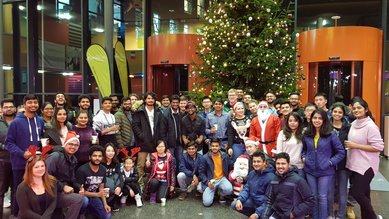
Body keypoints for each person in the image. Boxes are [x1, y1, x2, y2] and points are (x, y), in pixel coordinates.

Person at [6, 94, 45, 217]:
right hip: (20, 164)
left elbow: (40, 140)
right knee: (19, 192)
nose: (33, 105)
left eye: (35, 102)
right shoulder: (15, 123)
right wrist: (22, 153)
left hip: (36, 165)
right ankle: (16, 215)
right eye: (30, 103)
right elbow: (9, 143)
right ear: (24, 105)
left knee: (35, 192)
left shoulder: (40, 121)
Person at [302, 109, 345, 219]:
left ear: (324, 120)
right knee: (314, 196)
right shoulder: (307, 134)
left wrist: (330, 162)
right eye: (315, 118)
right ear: (311, 119)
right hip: (310, 170)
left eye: (320, 118)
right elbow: (304, 149)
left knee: (322, 196)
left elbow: (341, 152)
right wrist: (304, 157)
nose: (317, 120)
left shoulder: (330, 134)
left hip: (326, 171)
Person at [345, 97, 384, 219]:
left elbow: (379, 147)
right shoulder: (353, 124)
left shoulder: (370, 126)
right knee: (365, 194)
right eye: (354, 108)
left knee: (357, 193)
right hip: (354, 164)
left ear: (366, 109)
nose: (356, 110)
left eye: (359, 108)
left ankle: (373, 217)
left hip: (366, 165)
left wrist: (355, 146)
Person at [262, 152, 315, 219]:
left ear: (289, 164)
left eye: (283, 163)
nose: (280, 166)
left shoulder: (298, 180)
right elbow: (269, 200)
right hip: (278, 214)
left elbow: (310, 201)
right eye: (278, 163)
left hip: (294, 216)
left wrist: (293, 213)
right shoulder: (274, 180)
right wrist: (264, 217)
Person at [45, 131, 85, 219]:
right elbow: (46, 176)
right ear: (65, 144)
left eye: (76, 145)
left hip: (61, 191)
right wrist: (62, 187)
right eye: (71, 144)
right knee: (78, 200)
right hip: (49, 192)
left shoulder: (73, 159)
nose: (73, 147)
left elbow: (72, 179)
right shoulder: (55, 156)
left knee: (83, 200)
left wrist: (79, 187)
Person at [132, 92, 163, 187]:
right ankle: (140, 184)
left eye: (152, 98)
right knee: (141, 164)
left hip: (155, 141)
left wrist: (160, 139)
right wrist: (141, 135)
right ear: (145, 100)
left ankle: (153, 183)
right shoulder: (139, 111)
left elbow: (161, 125)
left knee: (155, 163)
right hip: (143, 142)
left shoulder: (158, 111)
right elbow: (135, 125)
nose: (150, 100)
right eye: (148, 98)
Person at [231, 151, 275, 219]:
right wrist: (240, 199)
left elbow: (269, 202)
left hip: (264, 205)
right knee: (234, 204)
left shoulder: (271, 177)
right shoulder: (252, 173)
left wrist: (257, 213)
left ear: (264, 163)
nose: (256, 164)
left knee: (262, 215)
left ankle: (257, 215)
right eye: (254, 161)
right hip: (253, 201)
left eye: (258, 161)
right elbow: (247, 189)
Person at [16, 149, 57, 219]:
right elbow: (25, 211)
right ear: (30, 169)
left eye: (42, 166)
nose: (40, 169)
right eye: (36, 167)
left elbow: (53, 202)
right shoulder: (22, 187)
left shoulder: (52, 181)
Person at [327, 102, 351, 219]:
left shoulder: (348, 127)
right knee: (330, 191)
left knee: (342, 190)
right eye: (335, 111)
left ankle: (341, 214)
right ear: (331, 112)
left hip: (343, 163)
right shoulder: (326, 126)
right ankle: (331, 213)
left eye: (340, 112)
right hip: (329, 163)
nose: (337, 114)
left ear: (343, 114)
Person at [76, 145, 111, 219]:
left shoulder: (103, 169)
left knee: (107, 216)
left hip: (94, 197)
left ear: (102, 157)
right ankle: (81, 214)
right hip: (83, 197)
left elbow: (101, 188)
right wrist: (97, 194)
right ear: (90, 157)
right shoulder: (82, 170)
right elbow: (80, 192)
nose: (97, 158)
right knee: (85, 201)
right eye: (94, 156)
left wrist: (105, 204)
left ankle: (90, 210)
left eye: (99, 156)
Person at [199, 138, 233, 207]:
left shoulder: (224, 156)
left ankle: (221, 194)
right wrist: (207, 182)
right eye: (213, 146)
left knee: (229, 189)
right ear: (210, 147)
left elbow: (231, 165)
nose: (214, 148)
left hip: (222, 178)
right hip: (211, 180)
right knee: (207, 203)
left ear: (219, 147)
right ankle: (204, 188)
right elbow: (201, 173)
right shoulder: (205, 157)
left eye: (216, 146)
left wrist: (231, 156)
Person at [276, 112, 305, 177]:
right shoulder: (282, 133)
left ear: (299, 122)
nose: (292, 123)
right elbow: (279, 151)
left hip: (299, 167)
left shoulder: (303, 133)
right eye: (290, 121)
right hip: (286, 167)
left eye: (295, 121)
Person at [0, 99, 15, 218]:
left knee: (17, 190)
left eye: (11, 106)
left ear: (14, 108)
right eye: (6, 107)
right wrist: (5, 146)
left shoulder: (19, 122)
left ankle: (15, 215)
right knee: (1, 190)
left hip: (18, 161)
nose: (9, 108)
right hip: (3, 161)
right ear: (1, 109)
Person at [161, 94, 183, 168]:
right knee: (172, 163)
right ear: (170, 103)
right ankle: (172, 179)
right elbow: (162, 131)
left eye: (177, 102)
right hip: (170, 144)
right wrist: (165, 145)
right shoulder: (165, 114)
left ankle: (179, 178)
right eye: (174, 102)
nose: (175, 104)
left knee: (180, 162)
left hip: (180, 143)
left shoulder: (181, 114)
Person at [102, 144, 123, 212]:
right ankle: (109, 202)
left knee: (118, 181)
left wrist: (120, 186)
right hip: (104, 181)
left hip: (114, 179)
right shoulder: (101, 162)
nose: (111, 153)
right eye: (108, 151)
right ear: (104, 152)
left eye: (112, 151)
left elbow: (119, 175)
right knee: (110, 183)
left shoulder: (116, 162)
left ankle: (114, 201)